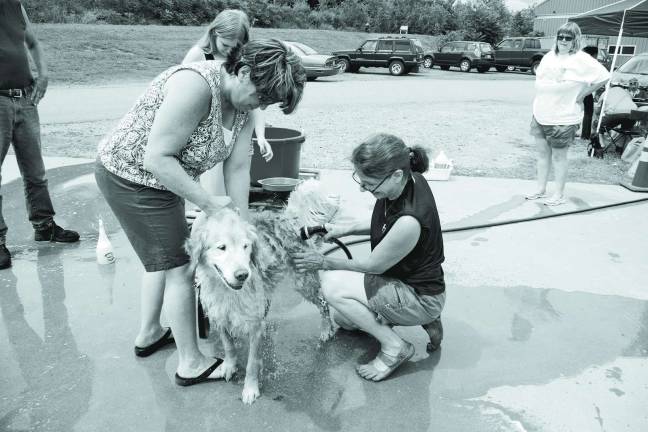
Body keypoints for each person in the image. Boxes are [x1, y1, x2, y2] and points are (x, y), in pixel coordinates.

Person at [94, 39, 305, 385]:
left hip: (165, 181)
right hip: (132, 177)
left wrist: (242, 228)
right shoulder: (196, 85)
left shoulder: (243, 108)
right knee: (178, 267)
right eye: (262, 97)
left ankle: (149, 334)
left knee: (163, 259)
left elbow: (237, 169)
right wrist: (208, 205)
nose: (262, 105)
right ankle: (189, 363)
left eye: (269, 102)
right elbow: (156, 158)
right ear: (244, 72)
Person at [293, 133, 446, 382]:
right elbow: (386, 224)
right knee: (345, 319)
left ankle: (395, 347)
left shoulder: (409, 221)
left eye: (369, 183)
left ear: (396, 174)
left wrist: (323, 262)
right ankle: (426, 320)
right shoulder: (409, 179)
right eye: (360, 180)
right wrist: (347, 228)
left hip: (419, 296)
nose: (363, 188)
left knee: (332, 286)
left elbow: (372, 266)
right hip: (418, 284)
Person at [0, 0, 80, 270]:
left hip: (25, 97)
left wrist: (43, 73)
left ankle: (44, 227)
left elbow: (32, 42)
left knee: (36, 172)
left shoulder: (14, 4)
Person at [526, 22, 610, 206]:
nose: (563, 40)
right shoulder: (550, 56)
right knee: (542, 154)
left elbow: (605, 76)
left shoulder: (581, 59)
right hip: (540, 113)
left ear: (575, 40)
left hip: (563, 117)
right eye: (560, 36)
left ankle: (559, 194)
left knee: (558, 156)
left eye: (568, 38)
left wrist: (582, 94)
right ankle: (540, 189)